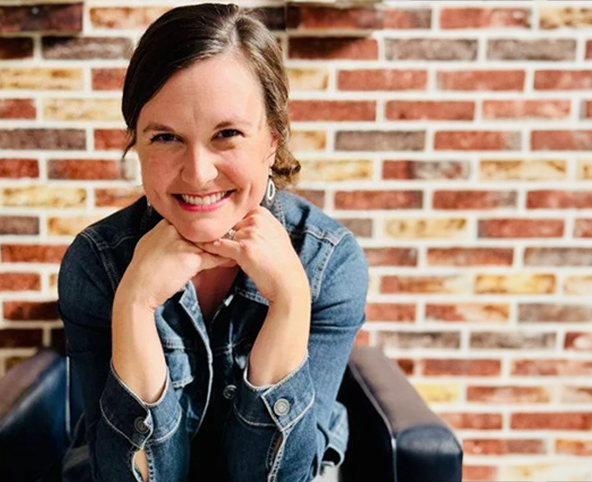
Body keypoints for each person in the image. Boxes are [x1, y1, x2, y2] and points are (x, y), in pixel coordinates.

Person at [57, 3, 368, 481]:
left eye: (227, 134)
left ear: (271, 142)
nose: (198, 173)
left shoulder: (328, 261)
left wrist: (290, 300)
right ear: (135, 142)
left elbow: (283, 477)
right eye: (165, 137)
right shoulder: (96, 262)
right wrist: (134, 303)